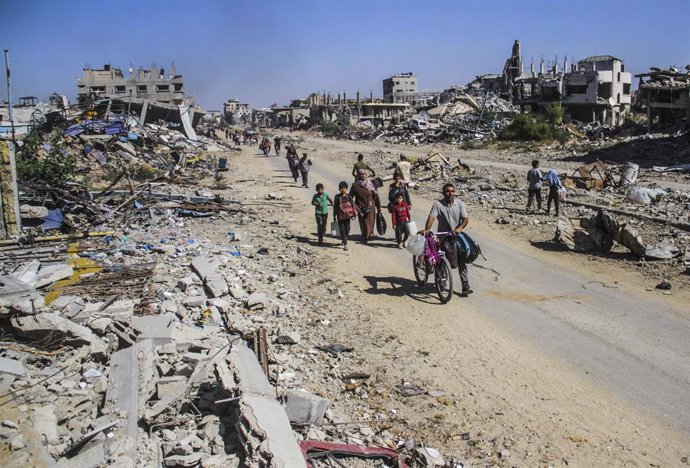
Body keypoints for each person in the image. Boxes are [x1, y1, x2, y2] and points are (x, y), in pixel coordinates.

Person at [421, 182, 472, 296]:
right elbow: (431, 217)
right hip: (443, 236)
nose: (450, 193)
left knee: (461, 259)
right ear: (443, 193)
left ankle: (465, 285)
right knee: (440, 259)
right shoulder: (438, 204)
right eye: (448, 191)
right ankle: (441, 279)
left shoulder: (459, 203)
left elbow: (465, 219)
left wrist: (458, 229)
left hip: (456, 236)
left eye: (452, 191)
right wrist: (427, 230)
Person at [350, 169, 380, 243]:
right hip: (361, 206)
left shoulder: (371, 183)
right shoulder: (355, 185)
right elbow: (350, 197)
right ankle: (365, 236)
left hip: (371, 205)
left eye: (364, 174)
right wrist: (354, 206)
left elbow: (376, 196)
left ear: (366, 174)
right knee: (364, 221)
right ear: (358, 175)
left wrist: (378, 206)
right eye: (360, 174)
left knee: (371, 220)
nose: (362, 175)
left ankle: (369, 234)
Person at [333, 181, 358, 250]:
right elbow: (335, 207)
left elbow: (353, 204)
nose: (342, 189)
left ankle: (344, 239)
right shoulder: (337, 197)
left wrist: (355, 211)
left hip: (347, 216)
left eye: (344, 188)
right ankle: (345, 244)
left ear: (346, 189)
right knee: (342, 230)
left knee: (347, 229)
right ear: (339, 189)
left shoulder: (348, 196)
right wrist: (334, 215)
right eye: (341, 188)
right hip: (340, 217)